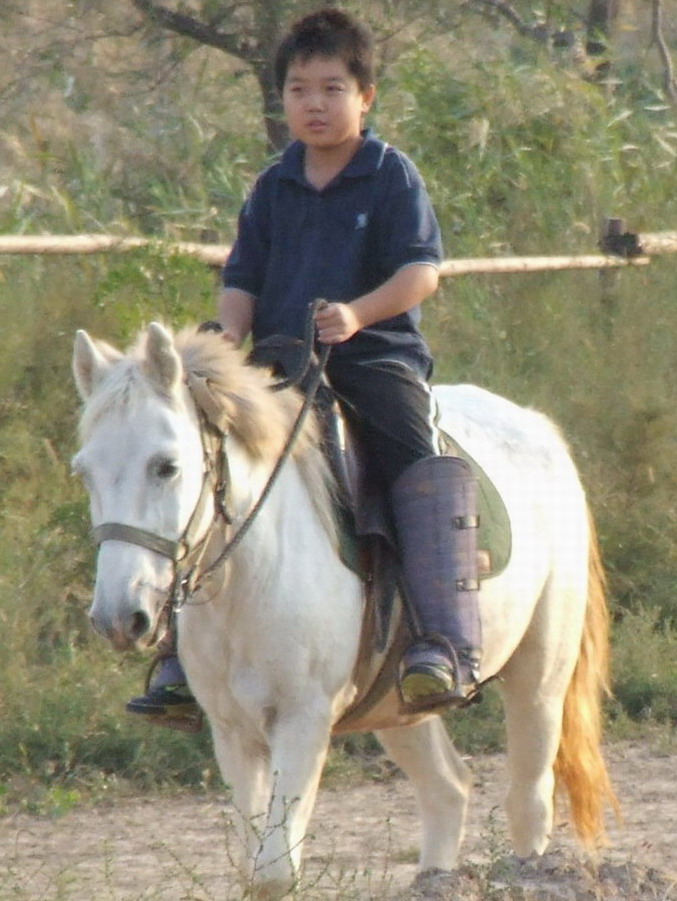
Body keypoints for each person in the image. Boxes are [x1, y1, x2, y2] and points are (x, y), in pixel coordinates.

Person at [127, 7, 481, 727]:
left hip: (373, 359)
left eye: (331, 89)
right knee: (200, 459)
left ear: (365, 97)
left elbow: (421, 275)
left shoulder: (390, 177)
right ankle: (176, 652)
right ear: (282, 98)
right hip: (277, 368)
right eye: (298, 90)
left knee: (412, 453)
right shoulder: (272, 184)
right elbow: (243, 276)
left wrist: (356, 314)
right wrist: (228, 330)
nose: (313, 104)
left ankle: (441, 639)